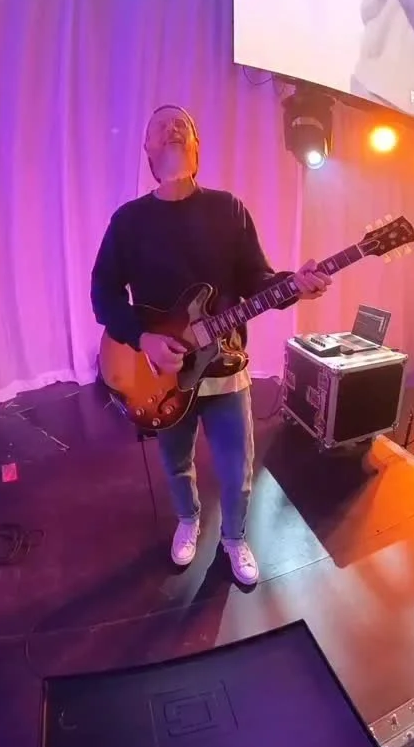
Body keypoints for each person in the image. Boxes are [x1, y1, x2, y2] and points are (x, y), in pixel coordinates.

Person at [91, 105, 331, 586]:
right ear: (148, 149)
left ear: (196, 147)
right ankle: (188, 520)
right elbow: (103, 293)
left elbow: (257, 280)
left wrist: (293, 285)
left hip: (224, 370)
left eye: (182, 124)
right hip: (160, 375)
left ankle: (234, 538)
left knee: (237, 470)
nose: (172, 129)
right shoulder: (129, 221)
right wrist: (143, 338)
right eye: (160, 126)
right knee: (176, 463)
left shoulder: (228, 209)